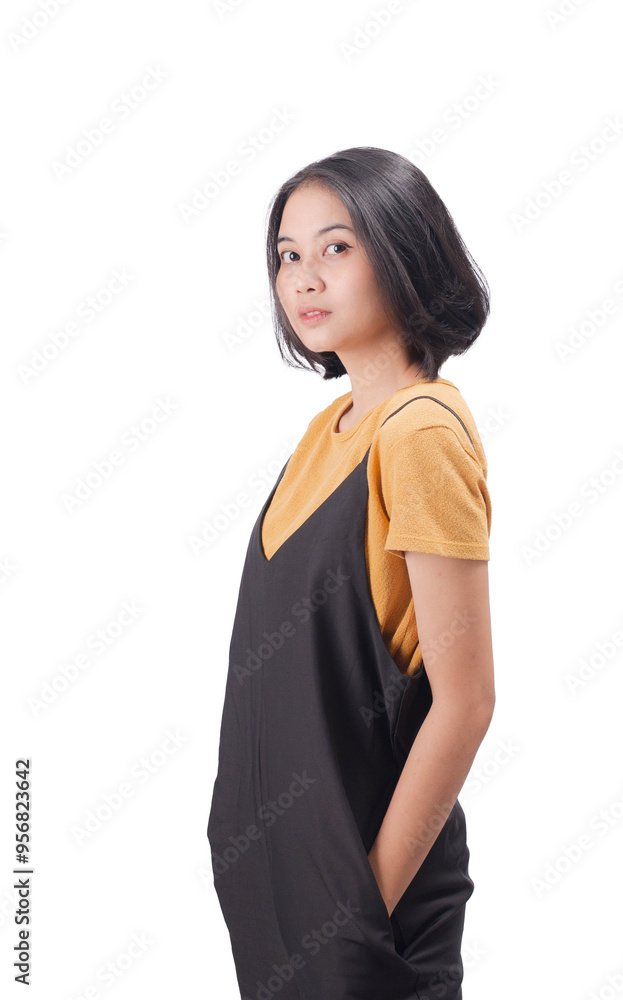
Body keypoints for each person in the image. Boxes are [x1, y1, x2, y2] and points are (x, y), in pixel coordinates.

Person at [207, 146, 495, 1000]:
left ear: (403, 250)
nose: (304, 277)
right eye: (287, 255)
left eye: (336, 247)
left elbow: (468, 700)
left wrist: (355, 906)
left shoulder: (419, 433)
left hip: (361, 923)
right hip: (282, 911)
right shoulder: (329, 430)